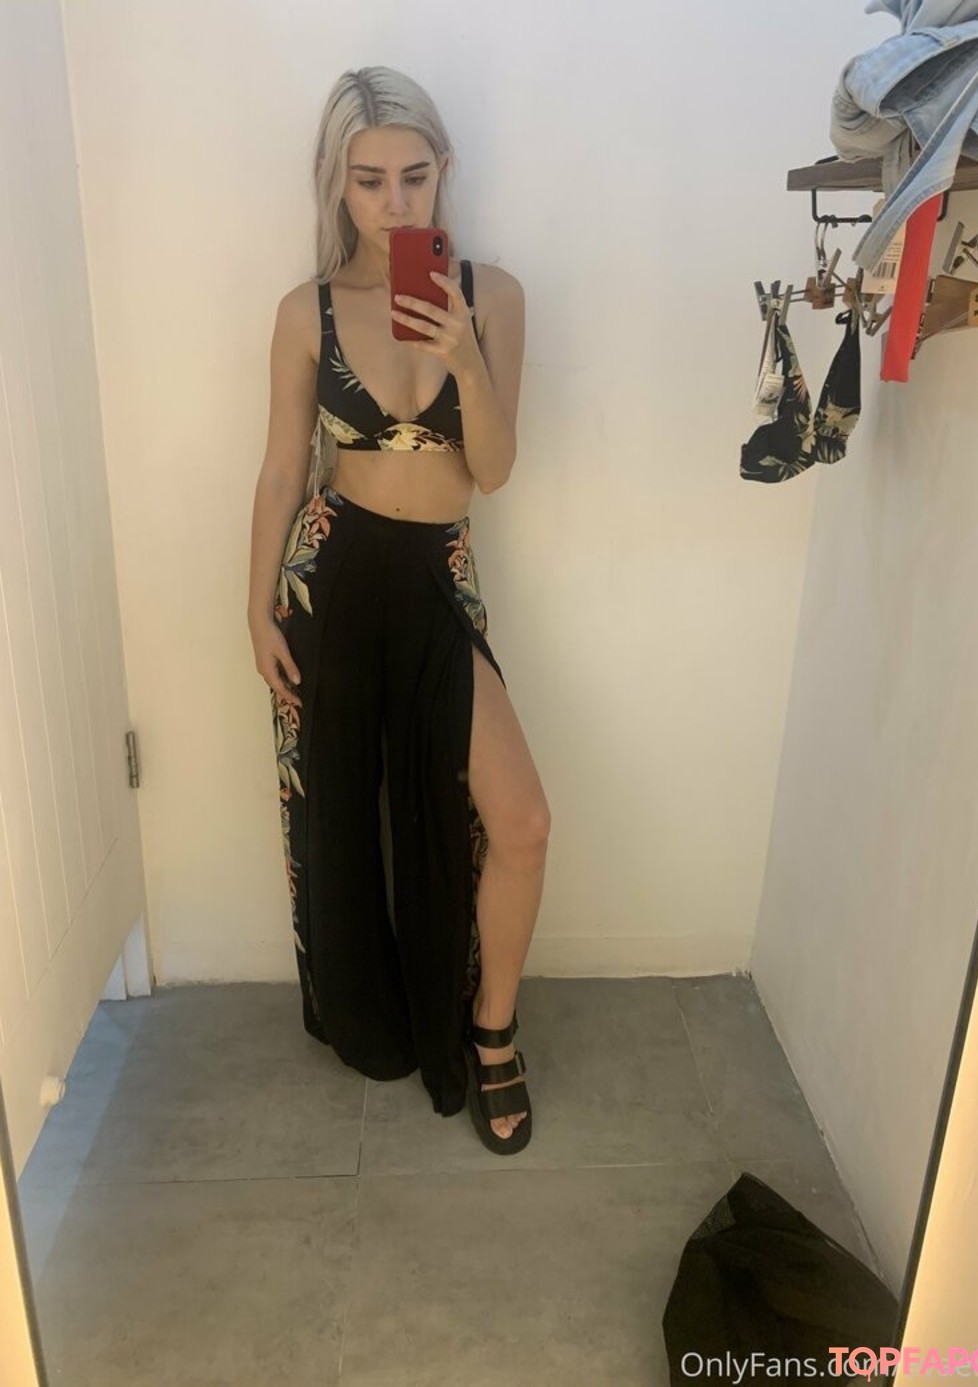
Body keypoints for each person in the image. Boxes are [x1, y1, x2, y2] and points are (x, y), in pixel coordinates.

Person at [246, 67, 549, 1153]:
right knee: (337, 815)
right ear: (337, 182)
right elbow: (283, 469)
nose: (394, 202)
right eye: (369, 180)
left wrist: (463, 353)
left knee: (521, 821)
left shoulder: (493, 297)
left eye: (414, 176)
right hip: (331, 573)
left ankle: (491, 1031)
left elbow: (494, 472)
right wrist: (254, 608)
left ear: (443, 170)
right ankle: (365, 1017)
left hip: (436, 576)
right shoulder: (308, 311)